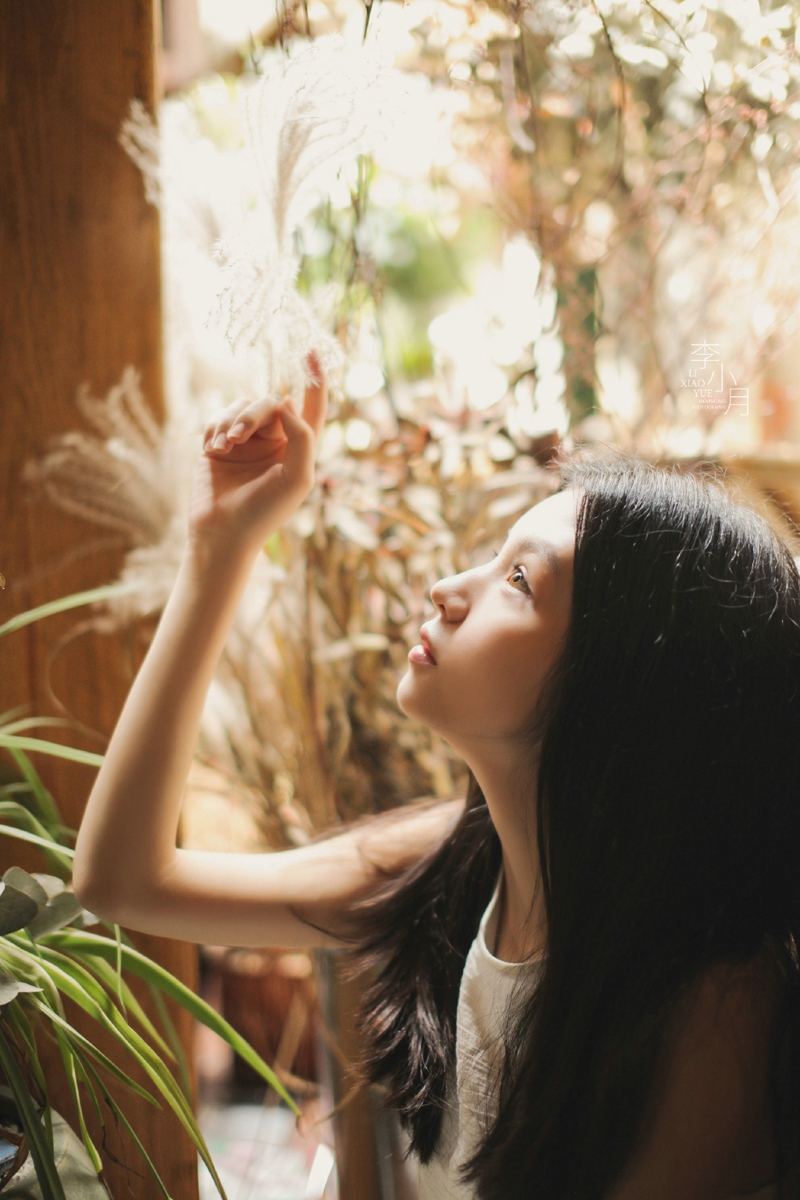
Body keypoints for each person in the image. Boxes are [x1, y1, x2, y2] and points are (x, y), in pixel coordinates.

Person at [73, 354, 800, 1200]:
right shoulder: (457, 862)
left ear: (629, 690)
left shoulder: (714, 1013)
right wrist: (220, 546)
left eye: (519, 581)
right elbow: (123, 880)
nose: (450, 588)